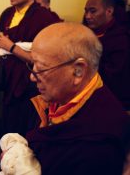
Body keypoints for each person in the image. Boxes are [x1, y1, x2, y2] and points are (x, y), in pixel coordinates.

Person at [23, 22, 129, 174]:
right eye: (32, 65)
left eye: (40, 69)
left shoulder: (96, 147)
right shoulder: (62, 96)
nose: (32, 77)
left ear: (78, 71)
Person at [0, 0, 61, 136]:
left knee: (27, 127)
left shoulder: (44, 17)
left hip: (31, 84)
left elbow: (46, 58)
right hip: (9, 79)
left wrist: (10, 47)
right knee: (8, 124)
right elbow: (2, 47)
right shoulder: (7, 14)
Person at [83, 0, 130, 110]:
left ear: (109, 11)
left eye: (93, 11)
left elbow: (113, 78)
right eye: (86, 11)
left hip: (113, 99)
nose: (87, 16)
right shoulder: (86, 32)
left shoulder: (120, 39)